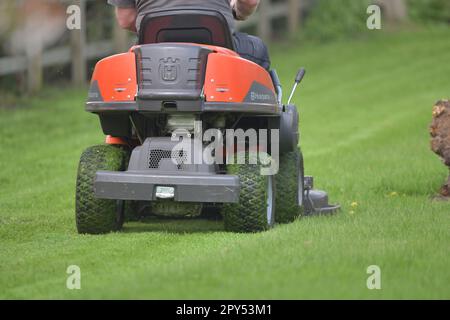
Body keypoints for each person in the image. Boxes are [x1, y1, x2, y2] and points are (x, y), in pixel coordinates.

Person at [107, 0, 271, 70]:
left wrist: (163, 28)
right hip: (219, 52)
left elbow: (126, 19)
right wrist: (237, 11)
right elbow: (249, 2)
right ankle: (250, 128)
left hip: (156, 55)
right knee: (258, 50)